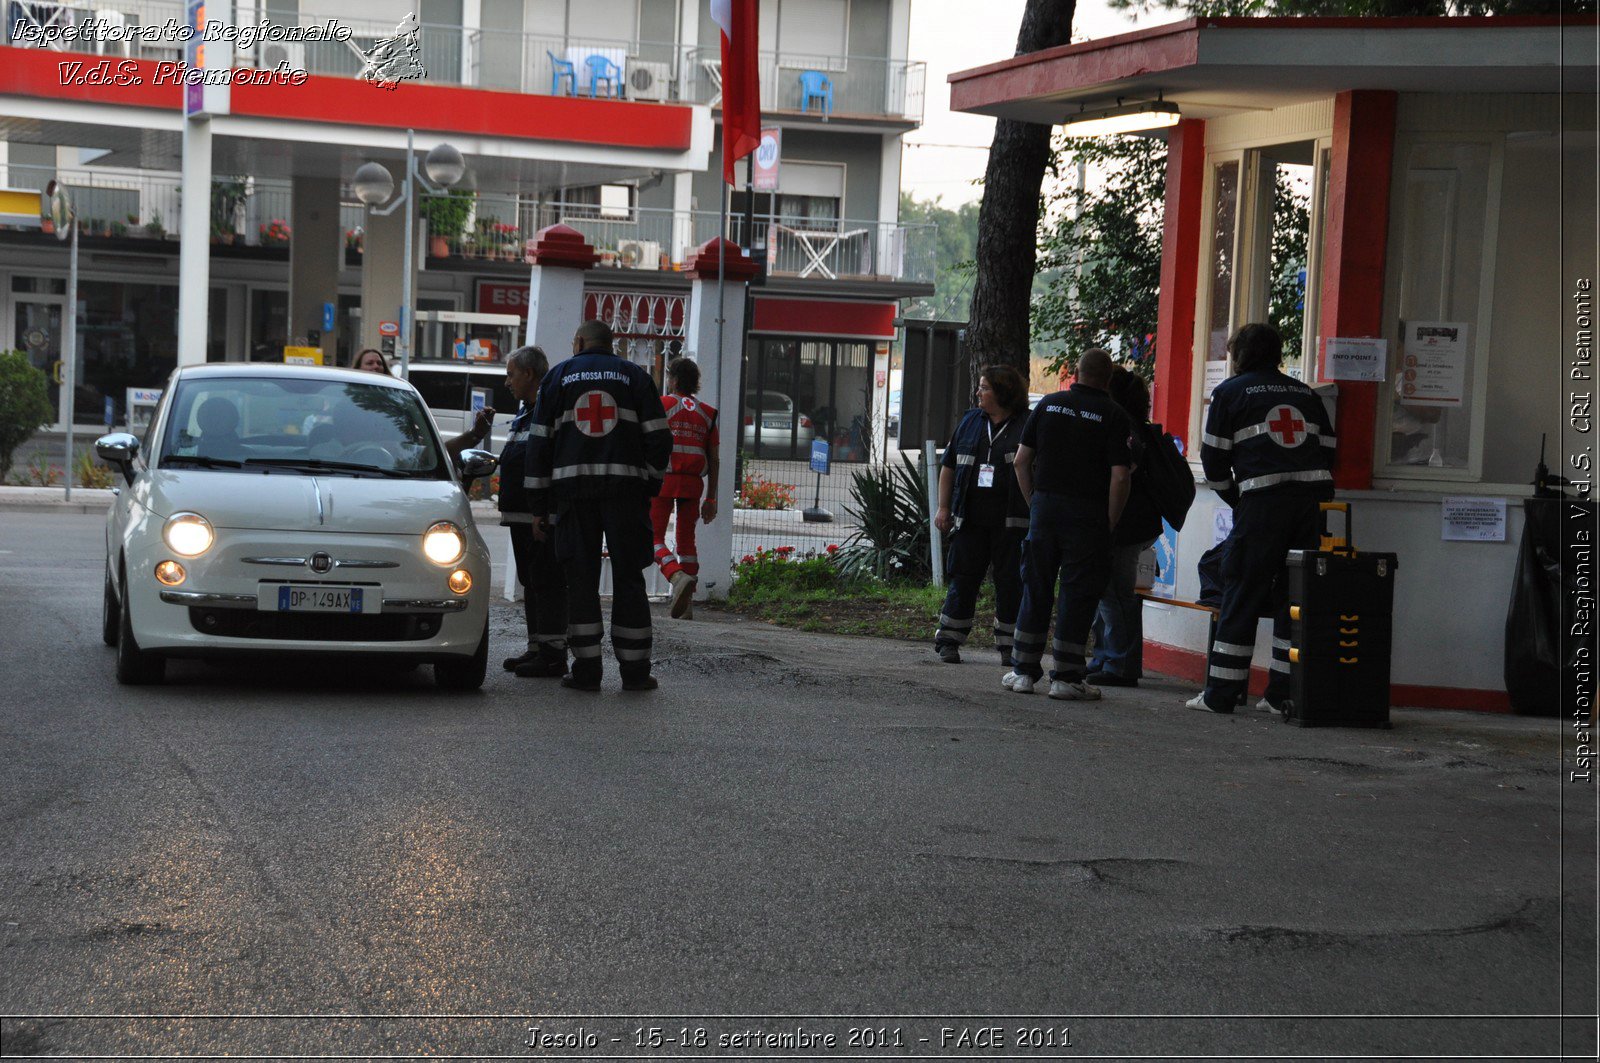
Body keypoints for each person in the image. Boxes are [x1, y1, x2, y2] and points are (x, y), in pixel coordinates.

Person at [1186, 322, 1335, 716]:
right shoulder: (1306, 394)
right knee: (1294, 598)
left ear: (1238, 355)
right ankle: (1280, 695)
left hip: (1264, 505)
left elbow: (1214, 459)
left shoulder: (1230, 392)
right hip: (1312, 507)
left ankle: (1221, 695)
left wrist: (1237, 497)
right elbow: (1329, 450)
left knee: (1242, 590)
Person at [525, 320, 671, 692]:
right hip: (626, 496)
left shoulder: (557, 378)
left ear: (579, 342)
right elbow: (659, 438)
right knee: (629, 579)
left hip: (573, 498)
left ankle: (587, 670)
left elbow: (539, 445)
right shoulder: (634, 376)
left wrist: (539, 507)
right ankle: (635, 671)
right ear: (610, 343)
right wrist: (649, 482)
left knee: (581, 582)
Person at [1004, 348, 1133, 701]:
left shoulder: (1047, 405)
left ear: (1076, 372)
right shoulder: (1114, 415)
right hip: (1087, 516)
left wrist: (1035, 503)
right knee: (1077, 594)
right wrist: (1109, 520)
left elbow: (1020, 462)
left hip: (1045, 509)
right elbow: (1120, 477)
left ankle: (1023, 672)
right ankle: (1067, 677)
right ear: (1108, 378)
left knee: (1036, 587)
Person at [931, 364, 1030, 666]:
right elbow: (949, 466)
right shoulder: (971, 421)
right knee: (963, 578)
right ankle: (949, 640)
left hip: (1011, 524)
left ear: (1002, 392)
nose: (978, 391)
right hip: (970, 520)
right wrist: (944, 507)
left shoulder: (1026, 425)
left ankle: (1009, 647)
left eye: (984, 387)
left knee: (1010, 582)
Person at [489, 347, 569, 678]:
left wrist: (544, 512)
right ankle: (537, 647)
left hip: (538, 516)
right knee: (531, 580)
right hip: (522, 515)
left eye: (511, 374)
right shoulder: (527, 411)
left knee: (545, 580)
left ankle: (553, 654)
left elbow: (546, 463)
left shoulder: (546, 411)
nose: (507, 382)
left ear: (529, 375)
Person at [1084, 368, 1164, 688]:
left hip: (1125, 523)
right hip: (1136, 523)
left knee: (1115, 593)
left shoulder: (1123, 428)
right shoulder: (1134, 426)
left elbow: (1120, 474)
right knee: (1110, 592)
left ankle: (1120, 662)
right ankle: (1107, 657)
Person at [652, 357, 720, 620]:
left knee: (653, 538)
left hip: (663, 480)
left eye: (670, 377)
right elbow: (714, 458)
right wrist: (711, 498)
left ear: (675, 380)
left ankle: (676, 576)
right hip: (694, 484)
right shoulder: (708, 413)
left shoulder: (662, 405)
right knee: (686, 542)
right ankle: (686, 605)